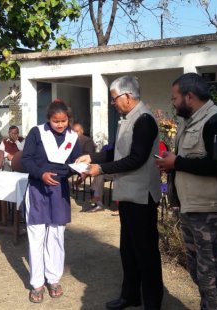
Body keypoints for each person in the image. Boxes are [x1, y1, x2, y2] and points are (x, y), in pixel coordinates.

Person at [156, 73, 217, 309]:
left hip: (212, 210)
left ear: (189, 96)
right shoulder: (190, 122)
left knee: (211, 278)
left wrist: (177, 163)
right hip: (192, 208)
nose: (172, 104)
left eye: (174, 98)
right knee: (199, 272)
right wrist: (172, 161)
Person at [78, 75, 163, 309]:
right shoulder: (128, 118)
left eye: (114, 98)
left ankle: (153, 302)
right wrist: (92, 158)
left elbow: (136, 159)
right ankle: (130, 295)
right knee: (128, 249)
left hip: (141, 196)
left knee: (146, 252)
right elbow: (117, 151)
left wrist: (100, 169)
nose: (113, 103)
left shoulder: (144, 119)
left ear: (127, 96)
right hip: (127, 194)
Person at [21, 99, 82, 303]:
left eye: (64, 121)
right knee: (37, 235)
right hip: (38, 189)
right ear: (49, 119)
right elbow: (26, 159)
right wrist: (41, 173)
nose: (60, 125)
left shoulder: (72, 137)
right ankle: (37, 283)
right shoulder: (37, 133)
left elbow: (76, 161)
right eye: (56, 121)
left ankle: (53, 279)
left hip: (59, 190)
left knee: (56, 235)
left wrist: (80, 168)